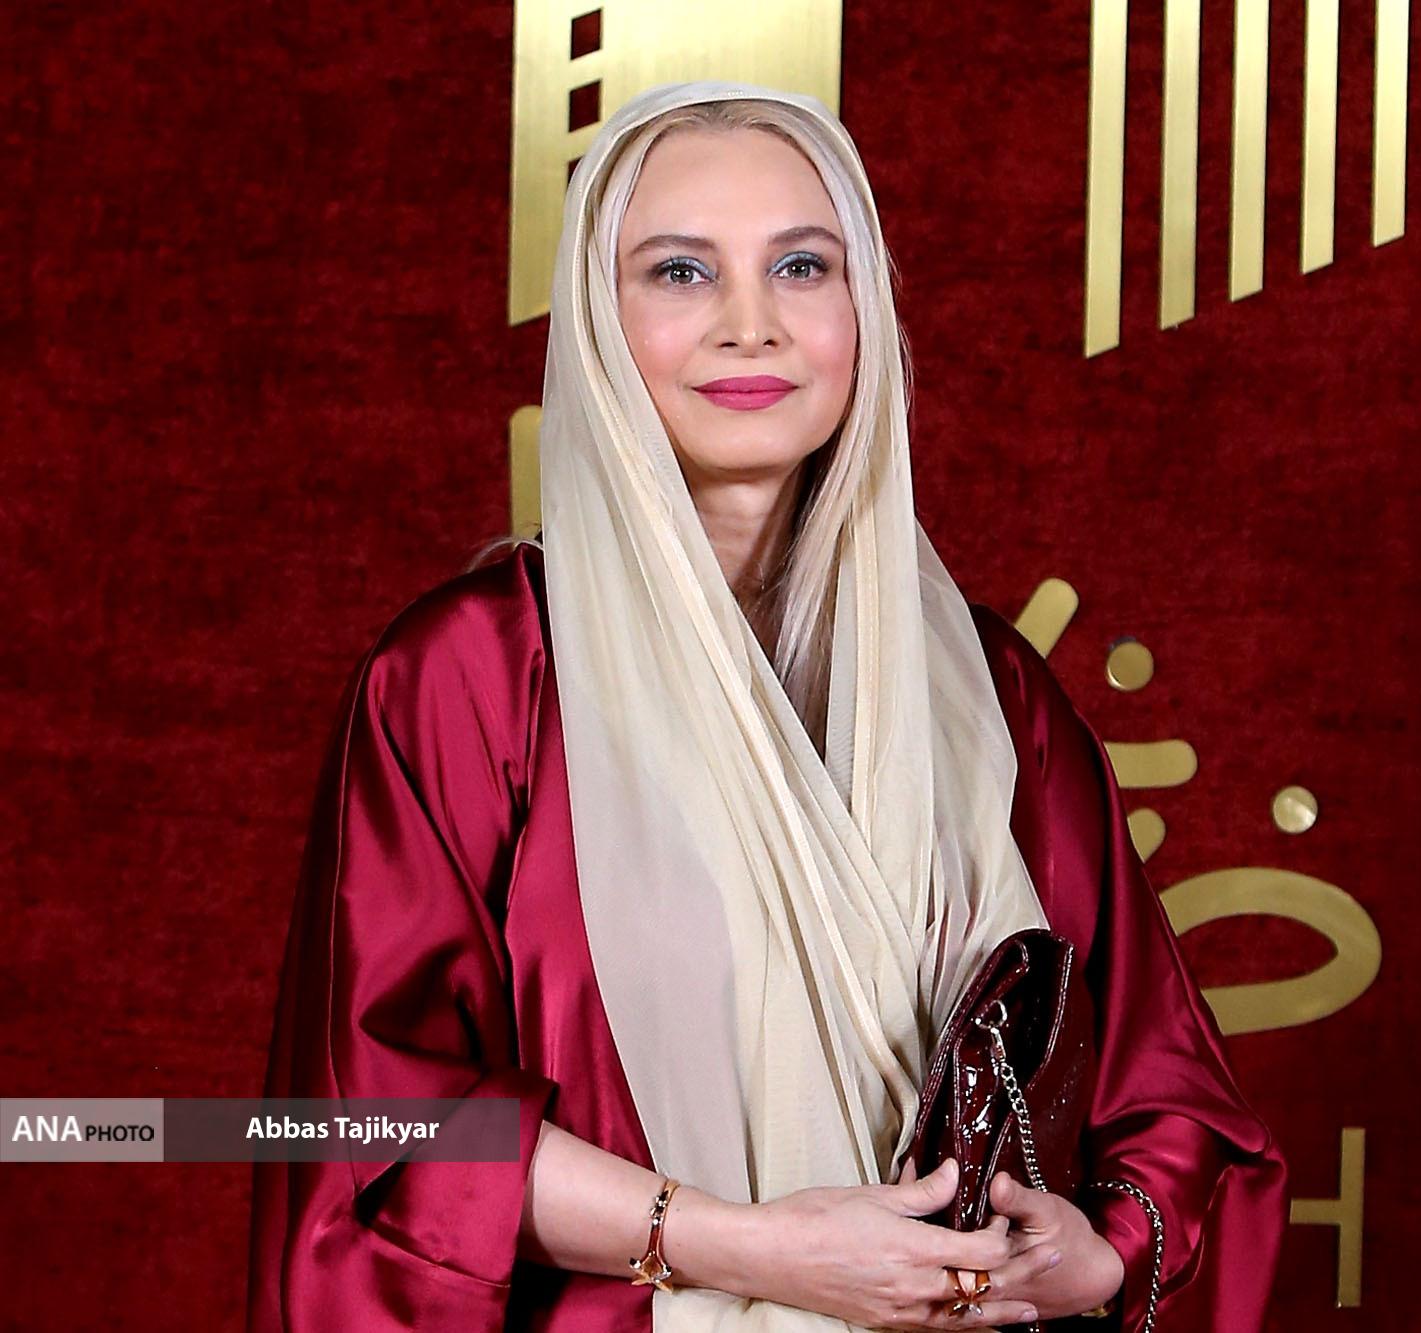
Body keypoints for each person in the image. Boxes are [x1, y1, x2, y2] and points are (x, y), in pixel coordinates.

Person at [248, 81, 1287, 1331]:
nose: (750, 326)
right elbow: (370, 1122)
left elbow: (1167, 1097)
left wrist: (1097, 1253)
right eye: (679, 273)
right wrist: (743, 1248)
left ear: (864, 311)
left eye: (801, 266)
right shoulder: (476, 678)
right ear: (596, 322)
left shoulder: (990, 691)